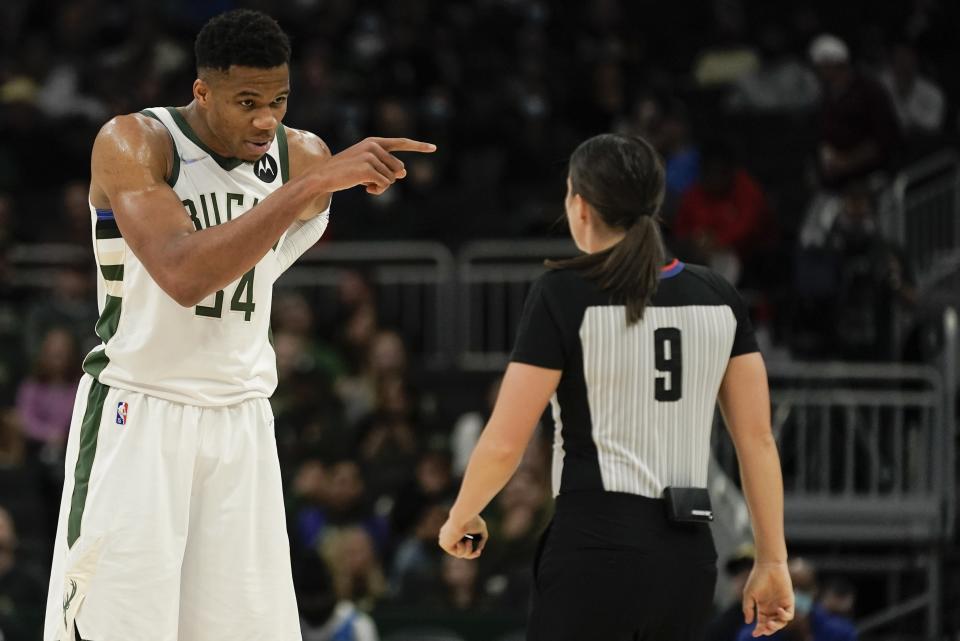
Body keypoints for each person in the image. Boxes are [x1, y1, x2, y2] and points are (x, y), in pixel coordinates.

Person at [43, 9, 435, 641]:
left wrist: (322, 178)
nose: (265, 119)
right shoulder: (136, 143)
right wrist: (308, 186)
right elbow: (183, 274)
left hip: (241, 416)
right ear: (202, 91)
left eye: (278, 100)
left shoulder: (301, 154)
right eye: (247, 101)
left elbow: (268, 249)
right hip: (140, 410)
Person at [438, 133, 793, 640]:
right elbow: (757, 442)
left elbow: (503, 442)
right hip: (688, 555)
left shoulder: (562, 293)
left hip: (593, 547)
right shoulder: (719, 296)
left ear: (579, 205)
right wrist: (773, 559)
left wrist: (462, 515)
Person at [735, 559, 856, 641]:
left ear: (815, 592)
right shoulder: (755, 634)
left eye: (803, 588)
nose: (795, 595)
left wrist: (804, 634)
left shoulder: (840, 632)